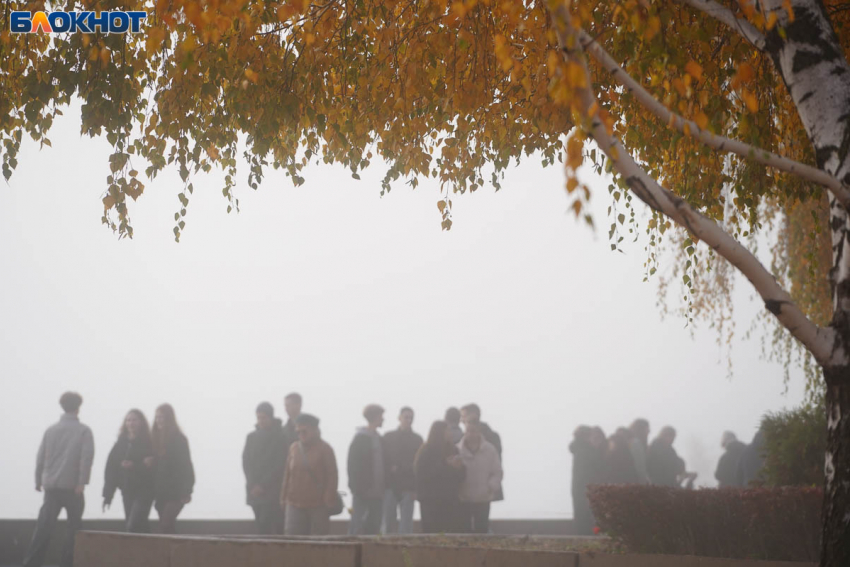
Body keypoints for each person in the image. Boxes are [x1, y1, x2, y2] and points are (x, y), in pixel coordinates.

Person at [23, 392, 94, 567]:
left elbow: (41, 456)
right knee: (74, 530)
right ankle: (68, 563)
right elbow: (86, 459)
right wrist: (81, 482)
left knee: (44, 528)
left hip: (51, 487)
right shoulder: (84, 430)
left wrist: (38, 479)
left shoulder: (51, 430)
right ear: (78, 408)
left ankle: (32, 563)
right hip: (72, 488)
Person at [280, 413, 339, 536]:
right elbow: (287, 474)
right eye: (298, 432)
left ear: (314, 430)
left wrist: (328, 498)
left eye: (304, 431)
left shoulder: (325, 449)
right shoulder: (294, 448)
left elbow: (332, 476)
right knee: (292, 540)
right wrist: (283, 497)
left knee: (318, 542)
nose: (301, 435)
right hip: (294, 503)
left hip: (318, 505)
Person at [103, 409, 154, 533]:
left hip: (144, 490)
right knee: (138, 526)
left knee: (133, 525)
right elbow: (111, 469)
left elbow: (153, 466)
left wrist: (135, 466)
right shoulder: (121, 443)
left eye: (134, 420)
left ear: (141, 422)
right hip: (127, 489)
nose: (131, 423)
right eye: (128, 420)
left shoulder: (149, 442)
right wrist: (108, 495)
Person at [242, 402, 288, 535]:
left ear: (271, 417)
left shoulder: (281, 437)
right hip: (254, 492)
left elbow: (280, 465)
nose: (261, 421)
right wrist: (252, 485)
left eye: (264, 417)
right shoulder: (251, 438)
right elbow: (246, 463)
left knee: (275, 526)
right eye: (258, 417)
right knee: (260, 526)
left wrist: (262, 485)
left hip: (274, 492)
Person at [149, 404, 194, 534]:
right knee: (167, 526)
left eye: (162, 417)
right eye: (157, 417)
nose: (159, 420)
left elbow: (186, 465)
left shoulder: (179, 439)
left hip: (175, 491)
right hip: (160, 491)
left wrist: (187, 490)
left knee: (165, 524)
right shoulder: (154, 439)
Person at [414, 421, 466, 533]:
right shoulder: (426, 450)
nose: (450, 433)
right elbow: (422, 474)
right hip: (431, 500)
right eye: (447, 430)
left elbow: (461, 476)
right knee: (432, 533)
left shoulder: (453, 449)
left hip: (450, 500)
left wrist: (459, 468)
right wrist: (446, 464)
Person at [382, 407, 423, 534]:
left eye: (411, 418)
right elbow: (383, 460)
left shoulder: (417, 439)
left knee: (406, 525)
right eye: (406, 417)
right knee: (387, 522)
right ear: (399, 418)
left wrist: (417, 489)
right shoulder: (388, 437)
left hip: (408, 486)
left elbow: (419, 466)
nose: (409, 420)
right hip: (390, 485)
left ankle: (405, 551)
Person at [457, 420, 502, 534]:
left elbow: (497, 472)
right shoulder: (457, 450)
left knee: (482, 531)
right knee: (464, 531)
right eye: (467, 431)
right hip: (463, 499)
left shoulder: (490, 450)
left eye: (473, 431)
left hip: (483, 498)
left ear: (479, 432)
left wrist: (490, 487)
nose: (470, 434)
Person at [348, 404, 386, 535]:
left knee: (374, 528)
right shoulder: (360, 439)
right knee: (357, 527)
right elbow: (352, 465)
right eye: (381, 416)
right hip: (362, 493)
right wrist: (357, 488)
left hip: (378, 493)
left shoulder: (380, 439)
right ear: (375, 417)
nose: (383, 419)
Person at [460, 404, 503, 500]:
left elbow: (497, 467)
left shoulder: (491, 439)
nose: (461, 420)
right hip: (467, 493)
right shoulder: (461, 442)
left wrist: (490, 487)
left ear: (473, 416)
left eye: (463, 416)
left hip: (485, 492)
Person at [570, 425, 605, 535]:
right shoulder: (588, 451)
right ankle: (589, 537)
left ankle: (582, 538)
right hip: (587, 489)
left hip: (578, 489)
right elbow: (597, 469)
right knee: (589, 519)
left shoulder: (579, 449)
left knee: (581, 517)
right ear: (586, 436)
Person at [627, 419, 651, 484]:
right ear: (640, 429)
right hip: (634, 481)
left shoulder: (629, 441)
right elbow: (640, 466)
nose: (649, 431)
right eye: (647, 429)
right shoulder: (636, 444)